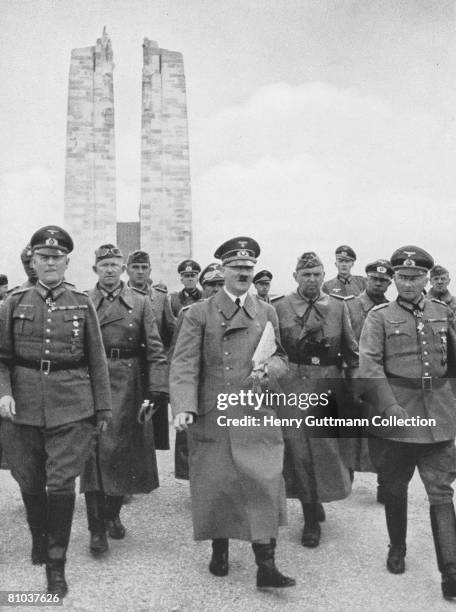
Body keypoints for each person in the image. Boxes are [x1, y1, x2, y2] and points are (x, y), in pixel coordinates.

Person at [170, 236, 295, 589]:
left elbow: (282, 357)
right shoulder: (199, 313)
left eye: (248, 268)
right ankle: (219, 548)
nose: (243, 273)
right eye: (237, 267)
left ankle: (266, 566)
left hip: (256, 410)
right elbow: (183, 364)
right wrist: (183, 406)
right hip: (215, 412)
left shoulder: (266, 310)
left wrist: (269, 369)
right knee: (218, 484)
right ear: (222, 270)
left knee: (264, 482)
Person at [0, 226, 111, 598]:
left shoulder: (81, 302)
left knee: (61, 482)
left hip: (71, 405)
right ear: (32, 260)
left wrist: (102, 408)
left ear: (66, 262)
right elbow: (1, 359)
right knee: (29, 480)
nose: (50, 263)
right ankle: (38, 537)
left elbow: (97, 359)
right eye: (43, 257)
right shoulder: (15, 301)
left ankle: (56, 563)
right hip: (24, 405)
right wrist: (3, 393)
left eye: (57, 258)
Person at [359, 245, 456, 598]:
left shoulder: (443, 312)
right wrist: (388, 406)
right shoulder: (379, 317)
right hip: (398, 415)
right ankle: (396, 547)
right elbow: (368, 367)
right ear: (393, 278)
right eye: (402, 277)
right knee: (396, 487)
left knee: (442, 492)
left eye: (416, 277)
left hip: (439, 415)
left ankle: (450, 571)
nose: (409, 283)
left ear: (427, 279)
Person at [80, 244, 169, 555]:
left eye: (114, 264)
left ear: (123, 269)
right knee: (93, 455)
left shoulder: (142, 304)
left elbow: (156, 352)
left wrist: (157, 389)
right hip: (92, 382)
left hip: (130, 384)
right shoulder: (83, 302)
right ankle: (96, 530)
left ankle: (112, 514)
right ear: (95, 269)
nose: (108, 269)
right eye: (103, 264)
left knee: (122, 454)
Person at [274, 251, 357, 547]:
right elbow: (271, 352)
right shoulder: (280, 307)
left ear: (325, 276)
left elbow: (351, 351)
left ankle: (321, 496)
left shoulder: (338, 307)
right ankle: (310, 517)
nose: (312, 280)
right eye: (306, 274)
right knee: (299, 450)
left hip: (327, 384)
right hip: (292, 386)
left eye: (317, 274)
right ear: (295, 276)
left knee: (327, 450)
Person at [345, 259, 394, 501]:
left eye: (384, 280)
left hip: (379, 379)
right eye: (375, 278)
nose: (379, 283)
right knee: (349, 433)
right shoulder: (349, 306)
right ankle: (345, 482)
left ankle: (384, 484)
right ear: (367, 279)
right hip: (353, 377)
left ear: (390, 282)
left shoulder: (392, 309)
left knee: (383, 433)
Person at [172, 262, 224, 480]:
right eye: (211, 284)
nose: (216, 288)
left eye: (220, 283)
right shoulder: (190, 313)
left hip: (227, 385)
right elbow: (178, 354)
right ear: (203, 286)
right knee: (196, 439)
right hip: (200, 384)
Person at [126, 249, 175, 450]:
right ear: (127, 270)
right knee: (128, 418)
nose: (139, 272)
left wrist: (166, 362)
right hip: (129, 367)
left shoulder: (161, 297)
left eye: (144, 267)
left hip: (154, 368)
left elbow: (173, 331)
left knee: (152, 422)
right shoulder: (121, 295)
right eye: (135, 267)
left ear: (150, 270)